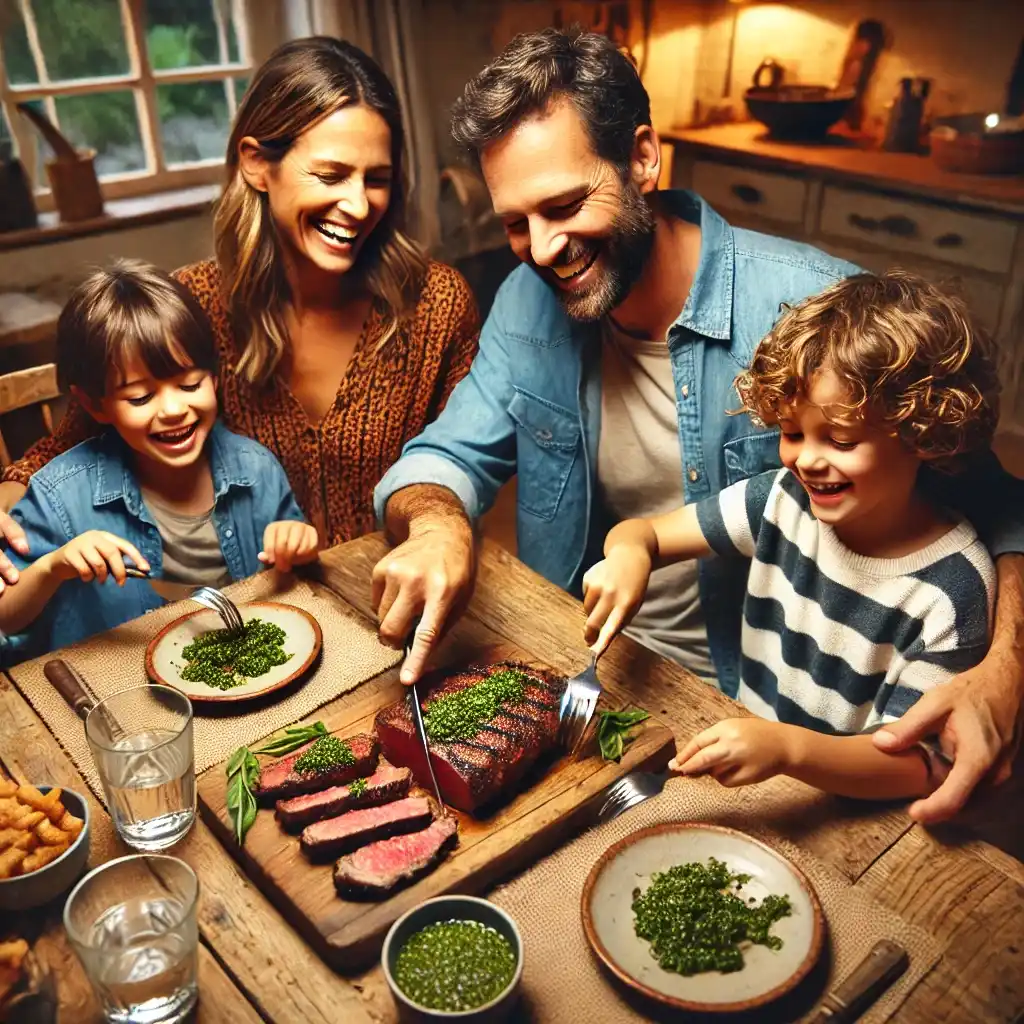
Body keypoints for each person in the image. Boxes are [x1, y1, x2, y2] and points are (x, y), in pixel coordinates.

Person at [368, 27, 1024, 824]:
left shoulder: (817, 317)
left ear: (643, 157)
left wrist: (1007, 667)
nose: (542, 249)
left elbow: (996, 504)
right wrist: (438, 523)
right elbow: (444, 457)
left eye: (567, 205)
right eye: (516, 222)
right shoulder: (523, 304)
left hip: (750, 700)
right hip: (586, 668)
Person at [0, 36, 479, 557]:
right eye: (330, 174)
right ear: (256, 163)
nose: (359, 204)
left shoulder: (437, 305)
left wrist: (439, 523)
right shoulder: (191, 304)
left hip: (393, 602)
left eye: (378, 179)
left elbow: (468, 461)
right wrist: (8, 497)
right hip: (257, 618)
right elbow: (77, 438)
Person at [582, 271, 996, 799]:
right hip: (753, 766)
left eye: (841, 439)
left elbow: (919, 764)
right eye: (791, 433)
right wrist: (629, 555)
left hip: (851, 808)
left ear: (922, 434)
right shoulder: (782, 500)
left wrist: (788, 749)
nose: (806, 459)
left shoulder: (953, 590)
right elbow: (645, 535)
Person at [0, 261, 318, 662]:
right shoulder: (59, 498)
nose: (173, 409)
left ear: (215, 378)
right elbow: (6, 619)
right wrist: (52, 567)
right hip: (116, 687)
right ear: (94, 405)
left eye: (190, 384)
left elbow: (298, 565)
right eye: (140, 397)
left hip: (238, 671)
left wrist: (299, 543)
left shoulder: (256, 470)